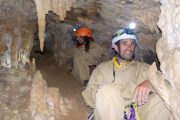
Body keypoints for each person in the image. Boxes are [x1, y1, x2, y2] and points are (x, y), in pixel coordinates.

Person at [82, 27, 171, 120]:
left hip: (136, 112)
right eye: (124, 43)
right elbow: (87, 95)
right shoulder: (102, 69)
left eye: (132, 44)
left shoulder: (144, 68)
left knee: (161, 99)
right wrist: (102, 92)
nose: (129, 47)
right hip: (110, 113)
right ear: (116, 47)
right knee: (108, 89)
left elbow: (167, 82)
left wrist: (151, 83)